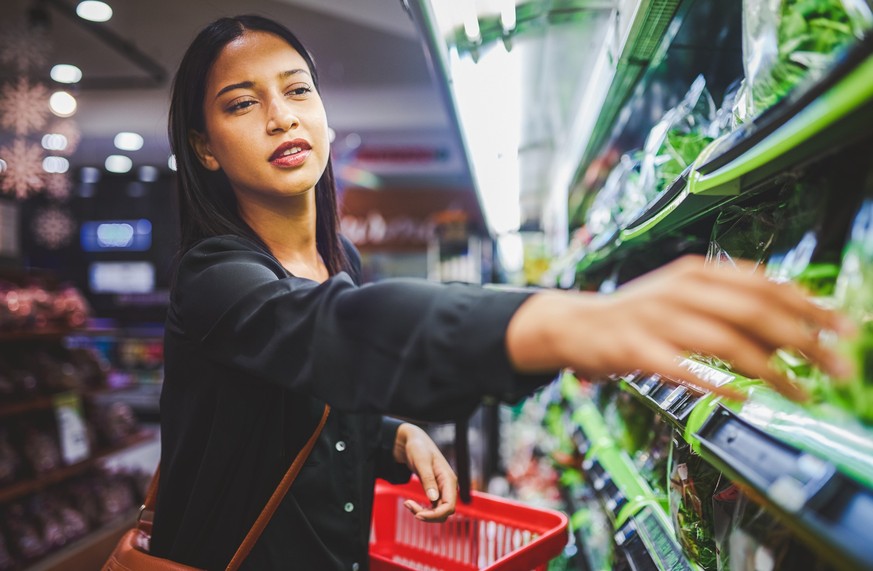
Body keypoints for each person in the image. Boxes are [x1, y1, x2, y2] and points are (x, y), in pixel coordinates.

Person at [151, 13, 854, 571]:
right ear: (205, 146)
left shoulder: (340, 259)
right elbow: (328, 333)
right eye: (242, 104)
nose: (280, 116)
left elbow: (302, 395)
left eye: (297, 88)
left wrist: (391, 436)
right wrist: (565, 322)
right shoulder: (213, 277)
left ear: (325, 115)